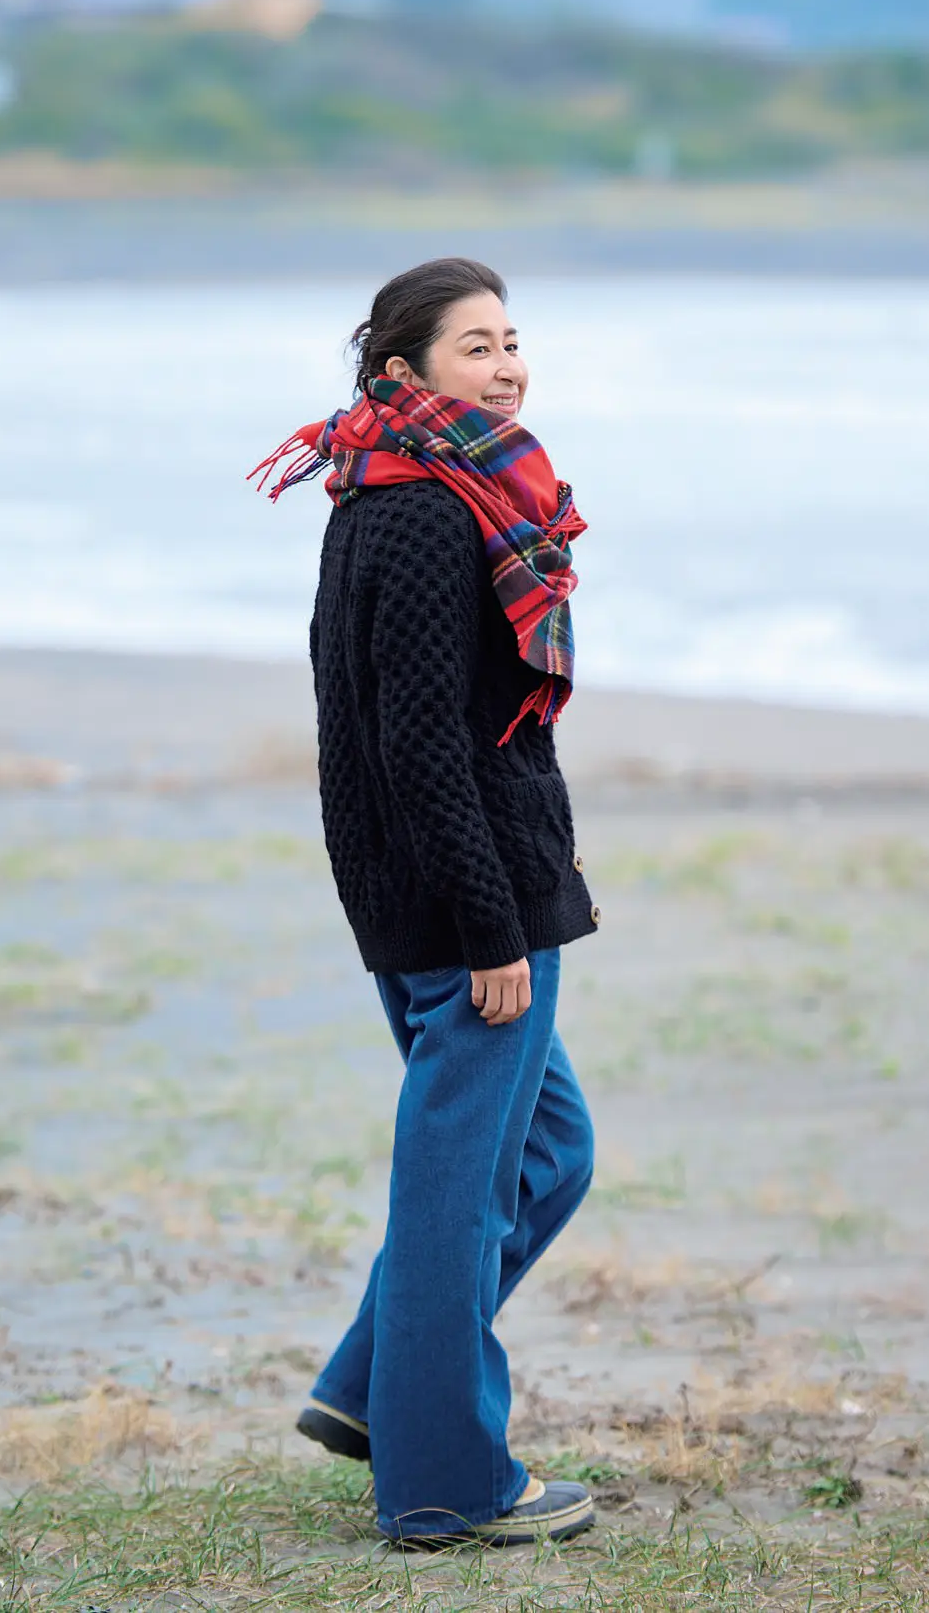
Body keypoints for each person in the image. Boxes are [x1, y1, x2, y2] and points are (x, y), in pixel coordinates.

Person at [251, 257, 600, 1548]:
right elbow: (411, 742)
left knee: (549, 1153)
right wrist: (485, 929)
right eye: (474, 345)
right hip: (467, 905)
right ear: (401, 370)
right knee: (454, 1193)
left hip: (459, 887)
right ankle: (446, 1478)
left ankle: (366, 1391)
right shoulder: (420, 510)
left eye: (512, 341)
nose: (506, 364)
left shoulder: (412, 486)